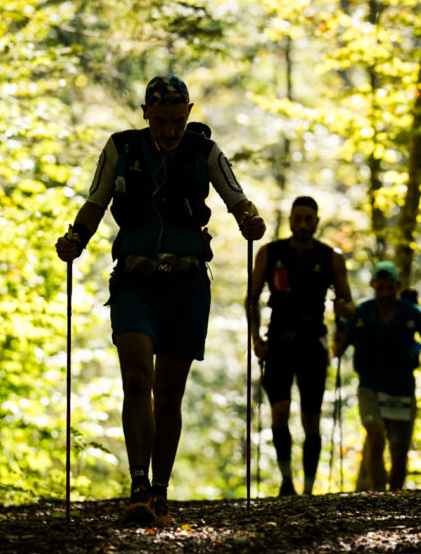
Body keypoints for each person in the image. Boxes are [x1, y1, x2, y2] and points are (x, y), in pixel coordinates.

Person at [55, 74, 266, 525]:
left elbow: (236, 197)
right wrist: (76, 238)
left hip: (187, 283)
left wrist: (252, 219)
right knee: (136, 379)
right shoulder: (121, 147)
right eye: (162, 121)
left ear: (188, 113)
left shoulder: (204, 151)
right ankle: (138, 486)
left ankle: (162, 492)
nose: (170, 131)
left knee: (169, 396)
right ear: (146, 112)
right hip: (135, 281)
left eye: (178, 121)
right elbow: (96, 200)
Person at [248, 196, 353, 496]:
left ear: (317, 221)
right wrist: (255, 338)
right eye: (298, 218)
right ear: (291, 219)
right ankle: (286, 482)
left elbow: (350, 304)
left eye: (309, 219)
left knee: (311, 417)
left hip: (313, 343)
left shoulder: (331, 257)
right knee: (279, 410)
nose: (304, 224)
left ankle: (308, 487)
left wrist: (342, 317)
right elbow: (251, 298)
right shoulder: (270, 253)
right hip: (279, 341)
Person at [337, 261, 421, 492]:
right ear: (373, 286)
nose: (384, 294)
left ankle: (395, 497)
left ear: (396, 286)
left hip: (402, 387)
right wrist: (340, 323)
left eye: (389, 288)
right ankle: (379, 495)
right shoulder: (362, 313)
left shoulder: (410, 312)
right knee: (375, 436)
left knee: (398, 449)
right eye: (380, 288)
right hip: (370, 386)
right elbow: (337, 350)